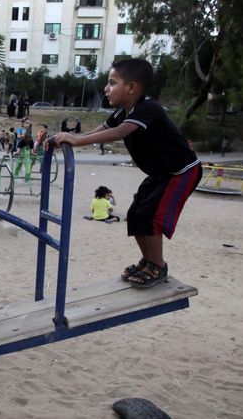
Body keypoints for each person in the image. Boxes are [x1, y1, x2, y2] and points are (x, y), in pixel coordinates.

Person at [51, 58, 202, 289]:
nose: (106, 88)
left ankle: (158, 265)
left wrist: (77, 141)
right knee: (135, 214)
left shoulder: (148, 108)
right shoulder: (123, 111)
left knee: (152, 216)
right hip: (161, 173)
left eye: (112, 83)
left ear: (132, 87)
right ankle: (148, 260)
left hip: (181, 172)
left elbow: (119, 132)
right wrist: (72, 139)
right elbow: (105, 128)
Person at [14, 119, 34, 184]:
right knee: (19, 163)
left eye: (28, 123)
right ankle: (15, 176)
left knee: (27, 163)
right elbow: (18, 136)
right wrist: (22, 135)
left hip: (27, 145)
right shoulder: (20, 129)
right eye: (26, 123)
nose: (27, 124)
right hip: (21, 144)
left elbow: (31, 137)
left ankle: (27, 178)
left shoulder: (29, 130)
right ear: (23, 124)